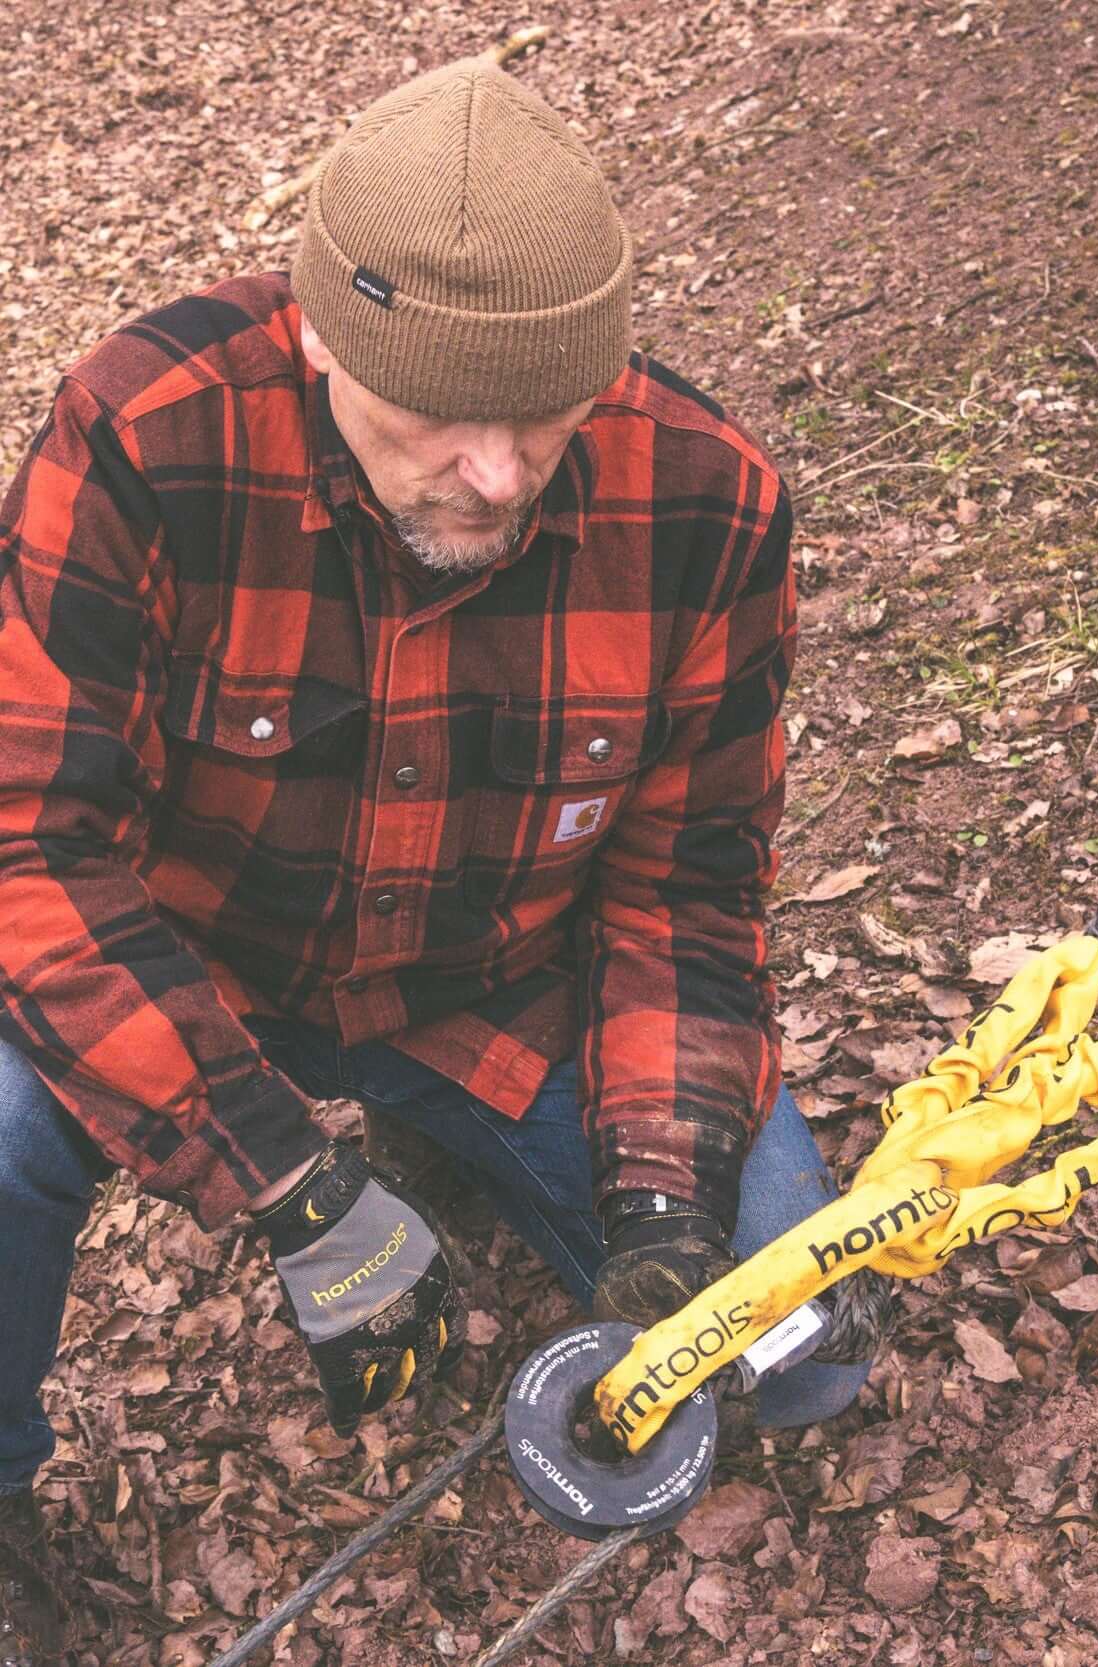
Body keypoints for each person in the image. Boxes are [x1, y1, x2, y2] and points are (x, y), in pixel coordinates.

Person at [0, 61, 872, 1660]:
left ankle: (464, 1150)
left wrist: (667, 1194)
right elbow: (27, 842)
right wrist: (282, 1179)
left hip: (493, 980)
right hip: (197, 966)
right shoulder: (148, 437)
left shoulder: (712, 504)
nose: (496, 474)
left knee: (792, 1349)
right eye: (439, 419)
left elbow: (683, 889)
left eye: (545, 417)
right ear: (322, 336)